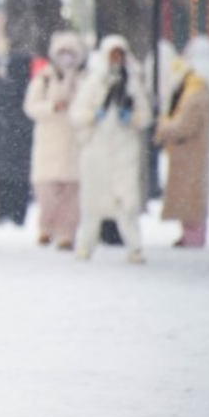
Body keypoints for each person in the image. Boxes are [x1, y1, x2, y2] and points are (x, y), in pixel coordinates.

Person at [69, 34, 152, 263]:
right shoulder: (94, 82)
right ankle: (86, 245)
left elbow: (144, 116)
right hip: (96, 148)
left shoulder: (132, 83)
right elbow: (76, 113)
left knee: (127, 201)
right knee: (92, 202)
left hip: (125, 149)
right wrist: (92, 116)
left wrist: (132, 117)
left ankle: (135, 247)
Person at [23, 32, 86, 250]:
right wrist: (52, 108)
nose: (67, 58)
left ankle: (66, 233)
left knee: (71, 193)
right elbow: (31, 106)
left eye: (71, 53)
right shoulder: (44, 78)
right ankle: (46, 229)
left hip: (74, 142)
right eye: (63, 53)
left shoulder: (83, 80)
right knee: (47, 192)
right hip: (49, 141)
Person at [154, 57, 209, 247]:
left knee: (190, 199)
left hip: (190, 154)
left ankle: (193, 237)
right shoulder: (195, 92)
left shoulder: (195, 96)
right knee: (188, 198)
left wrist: (164, 126)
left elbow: (185, 125)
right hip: (188, 154)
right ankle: (190, 235)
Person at [0, 52, 34, 225]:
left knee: (1, 182)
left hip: (1, 144)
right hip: (23, 146)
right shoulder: (29, 88)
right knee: (21, 183)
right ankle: (18, 215)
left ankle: (1, 213)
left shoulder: (2, 87)